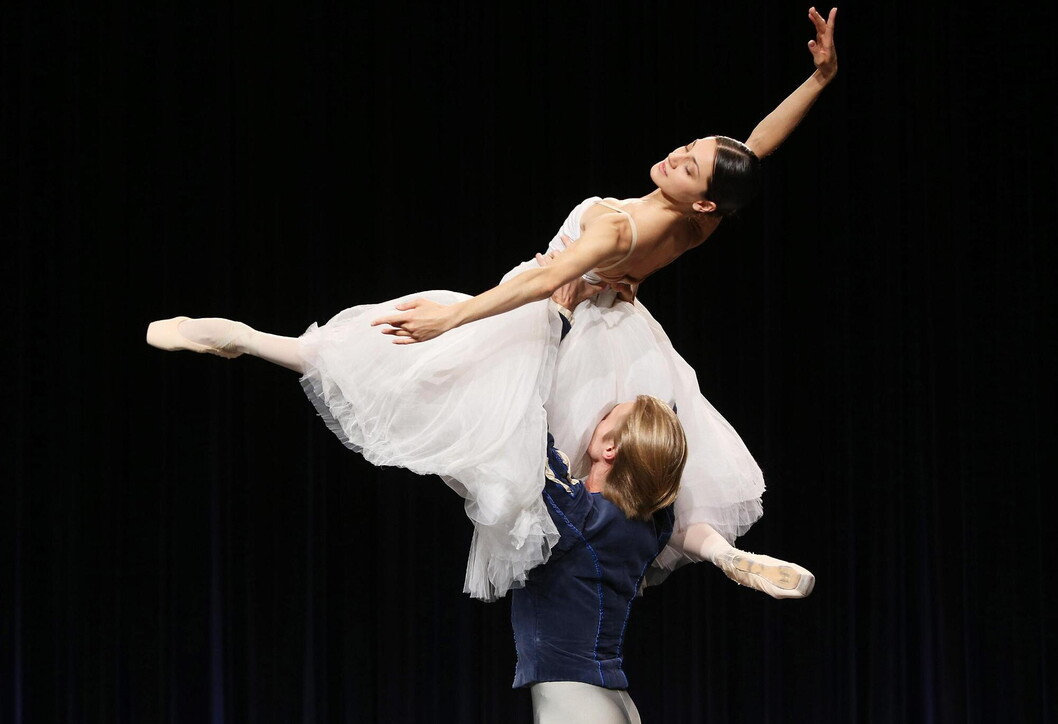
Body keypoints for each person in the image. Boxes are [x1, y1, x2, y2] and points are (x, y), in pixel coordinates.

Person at [146, 7, 835, 601]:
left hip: (546, 317)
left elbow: (546, 279)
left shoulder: (622, 225)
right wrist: (818, 81)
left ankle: (250, 337)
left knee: (418, 382)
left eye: (688, 166)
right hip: (628, 338)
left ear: (705, 198)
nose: (676, 156)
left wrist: (457, 315)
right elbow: (758, 148)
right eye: (687, 145)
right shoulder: (704, 218)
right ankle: (720, 553)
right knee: (651, 477)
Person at [511, 395, 685, 724]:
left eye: (604, 416)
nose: (594, 418)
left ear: (611, 449)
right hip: (612, 701)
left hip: (576, 702)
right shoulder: (653, 527)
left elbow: (526, 430)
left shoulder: (579, 516)